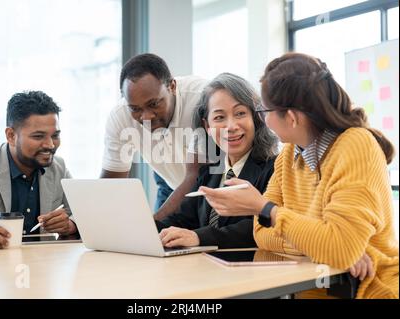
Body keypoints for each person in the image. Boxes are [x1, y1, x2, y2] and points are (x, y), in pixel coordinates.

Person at [200, 53, 399, 299]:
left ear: (291, 117)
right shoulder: (289, 156)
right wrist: (322, 245)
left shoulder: (356, 146)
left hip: (368, 292)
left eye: (264, 110)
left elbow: (339, 248)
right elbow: (261, 235)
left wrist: (267, 210)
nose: (263, 118)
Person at [157, 73, 278, 248]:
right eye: (219, 117)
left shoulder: (273, 168)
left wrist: (199, 237)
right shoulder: (209, 171)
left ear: (256, 117)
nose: (231, 127)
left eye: (240, 113)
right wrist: (144, 229)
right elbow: (182, 218)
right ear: (207, 126)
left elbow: (259, 226)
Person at [0, 91, 77, 249]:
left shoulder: (59, 168)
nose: (50, 145)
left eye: (55, 135)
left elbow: (85, 215)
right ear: (11, 135)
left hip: (41, 267)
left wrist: (70, 224)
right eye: (38, 136)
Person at [101, 53, 208, 220]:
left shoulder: (201, 99)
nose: (146, 117)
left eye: (153, 104)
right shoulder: (120, 116)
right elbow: (110, 187)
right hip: (170, 182)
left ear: (172, 86)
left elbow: (196, 177)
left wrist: (150, 225)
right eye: (135, 109)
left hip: (206, 185)